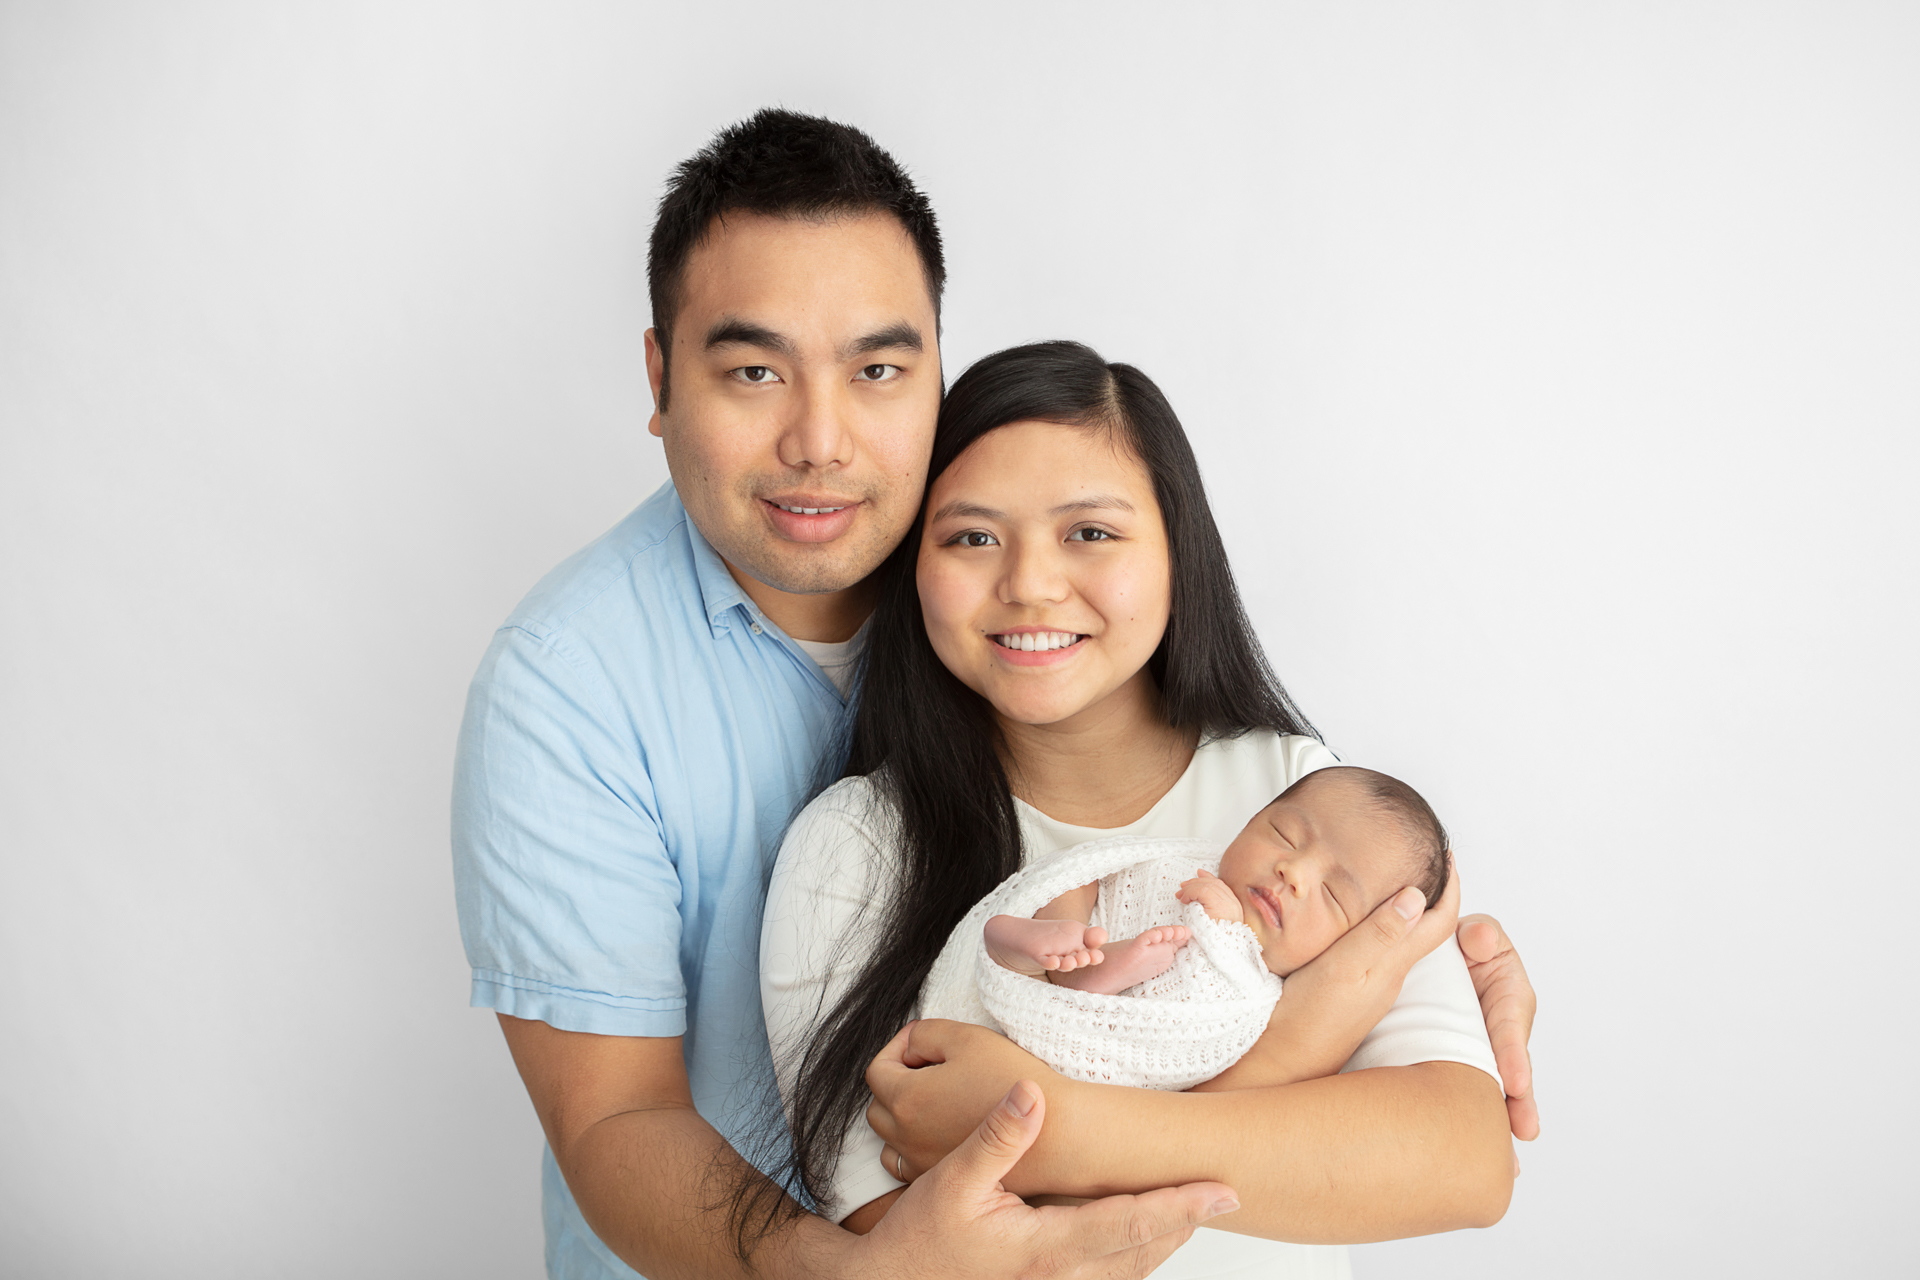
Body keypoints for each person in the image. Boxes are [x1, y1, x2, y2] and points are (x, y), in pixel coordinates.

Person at [454, 109, 1538, 1280]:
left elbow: (1460, 1156)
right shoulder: (582, 694)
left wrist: (1378, 954)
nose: (821, 440)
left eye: (877, 368)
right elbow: (621, 1121)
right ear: (662, 377)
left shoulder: (1246, 766)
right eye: (754, 369)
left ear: (932, 368)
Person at [759, 342, 1511, 1277]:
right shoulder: (852, 849)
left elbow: (1463, 1162)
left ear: (1176, 549)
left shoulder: (1303, 801)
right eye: (972, 537)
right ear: (914, 567)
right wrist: (1289, 1063)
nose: (1030, 584)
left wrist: (1050, 1124)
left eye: (1091, 533)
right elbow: (907, 1243)